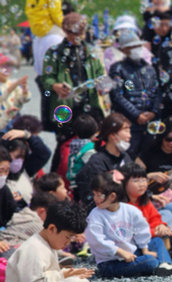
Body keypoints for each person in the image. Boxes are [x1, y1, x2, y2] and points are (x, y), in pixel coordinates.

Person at [4, 200, 119, 282]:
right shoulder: (33, 248)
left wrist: (68, 273)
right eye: (68, 237)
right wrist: (63, 275)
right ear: (52, 229)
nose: (68, 242)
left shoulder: (45, 242)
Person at [85, 173, 172, 278]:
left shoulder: (129, 210)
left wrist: (145, 249)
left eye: (99, 195)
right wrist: (121, 252)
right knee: (149, 261)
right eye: (94, 194)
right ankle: (159, 265)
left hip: (132, 253)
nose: (95, 199)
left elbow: (141, 230)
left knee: (156, 241)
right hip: (110, 262)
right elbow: (97, 241)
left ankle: (164, 266)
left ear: (112, 196)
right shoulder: (95, 215)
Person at [41, 13, 106, 171]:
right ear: (65, 31)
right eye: (72, 33)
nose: (76, 37)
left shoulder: (91, 52)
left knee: (93, 143)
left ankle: (91, 176)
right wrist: (56, 86)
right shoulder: (54, 52)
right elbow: (46, 79)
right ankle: (57, 181)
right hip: (65, 105)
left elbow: (100, 75)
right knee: (64, 144)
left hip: (89, 104)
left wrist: (103, 85)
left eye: (80, 33)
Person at [109, 30, 162, 157]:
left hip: (150, 122)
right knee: (129, 157)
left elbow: (157, 91)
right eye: (132, 47)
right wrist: (136, 114)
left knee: (148, 157)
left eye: (138, 46)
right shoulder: (118, 68)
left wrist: (153, 111)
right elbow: (117, 95)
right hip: (129, 123)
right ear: (123, 50)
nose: (137, 49)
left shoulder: (149, 68)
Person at [75, 113, 134, 208]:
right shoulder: (97, 162)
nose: (129, 136)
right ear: (113, 135)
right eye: (126, 131)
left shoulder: (125, 157)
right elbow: (93, 196)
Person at [0, 193, 57, 260]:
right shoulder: (35, 222)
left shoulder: (22, 215)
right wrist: (65, 254)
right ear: (42, 211)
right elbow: (52, 243)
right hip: (9, 249)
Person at [66, 114, 98, 193]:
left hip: (73, 182)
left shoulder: (74, 144)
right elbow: (92, 168)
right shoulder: (89, 148)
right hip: (83, 185)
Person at [0, 56, 31, 129]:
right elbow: (1, 98)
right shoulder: (14, 84)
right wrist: (14, 85)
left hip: (14, 119)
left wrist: (25, 91)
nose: (6, 69)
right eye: (3, 66)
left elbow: (23, 100)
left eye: (9, 66)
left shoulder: (13, 83)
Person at [0, 146, 18, 228]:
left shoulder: (5, 190)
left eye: (6, 171)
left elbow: (12, 212)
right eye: (1, 170)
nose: (3, 175)